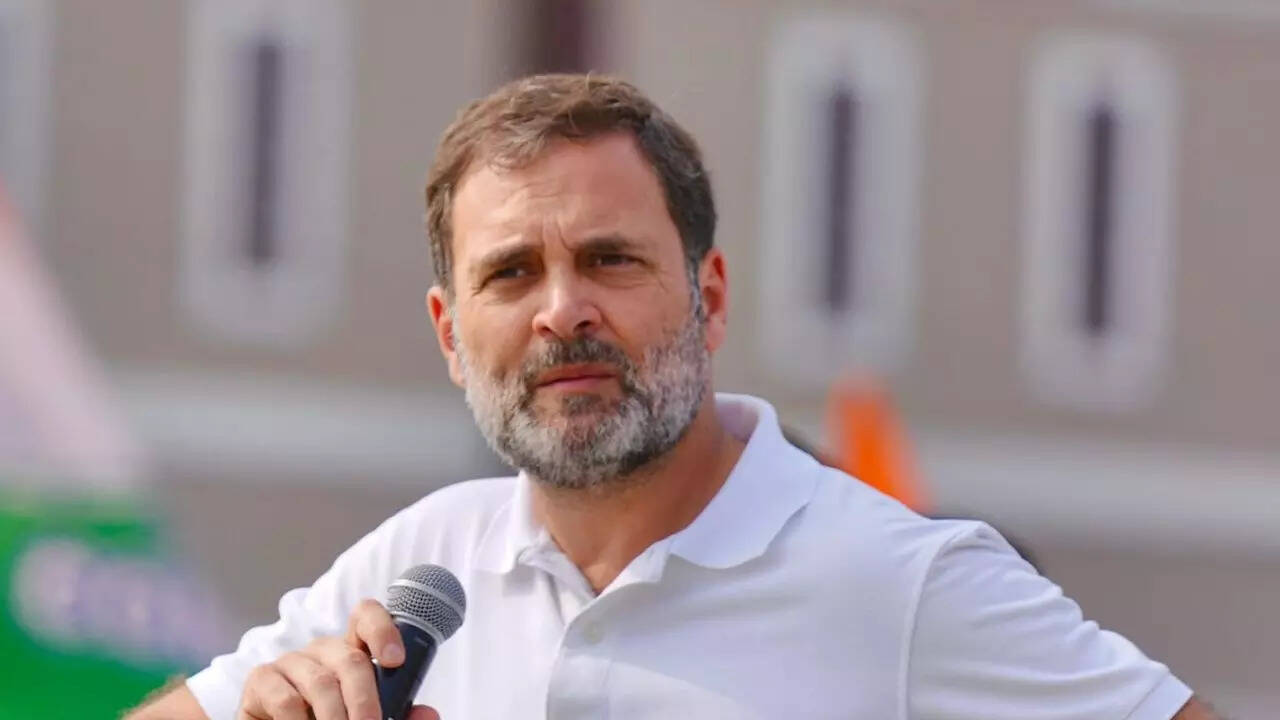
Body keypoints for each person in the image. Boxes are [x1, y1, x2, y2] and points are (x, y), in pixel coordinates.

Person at [130, 74, 1221, 720]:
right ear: (450, 336)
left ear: (710, 297)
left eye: (609, 259)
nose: (561, 311)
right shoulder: (418, 572)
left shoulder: (905, 581)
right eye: (511, 273)